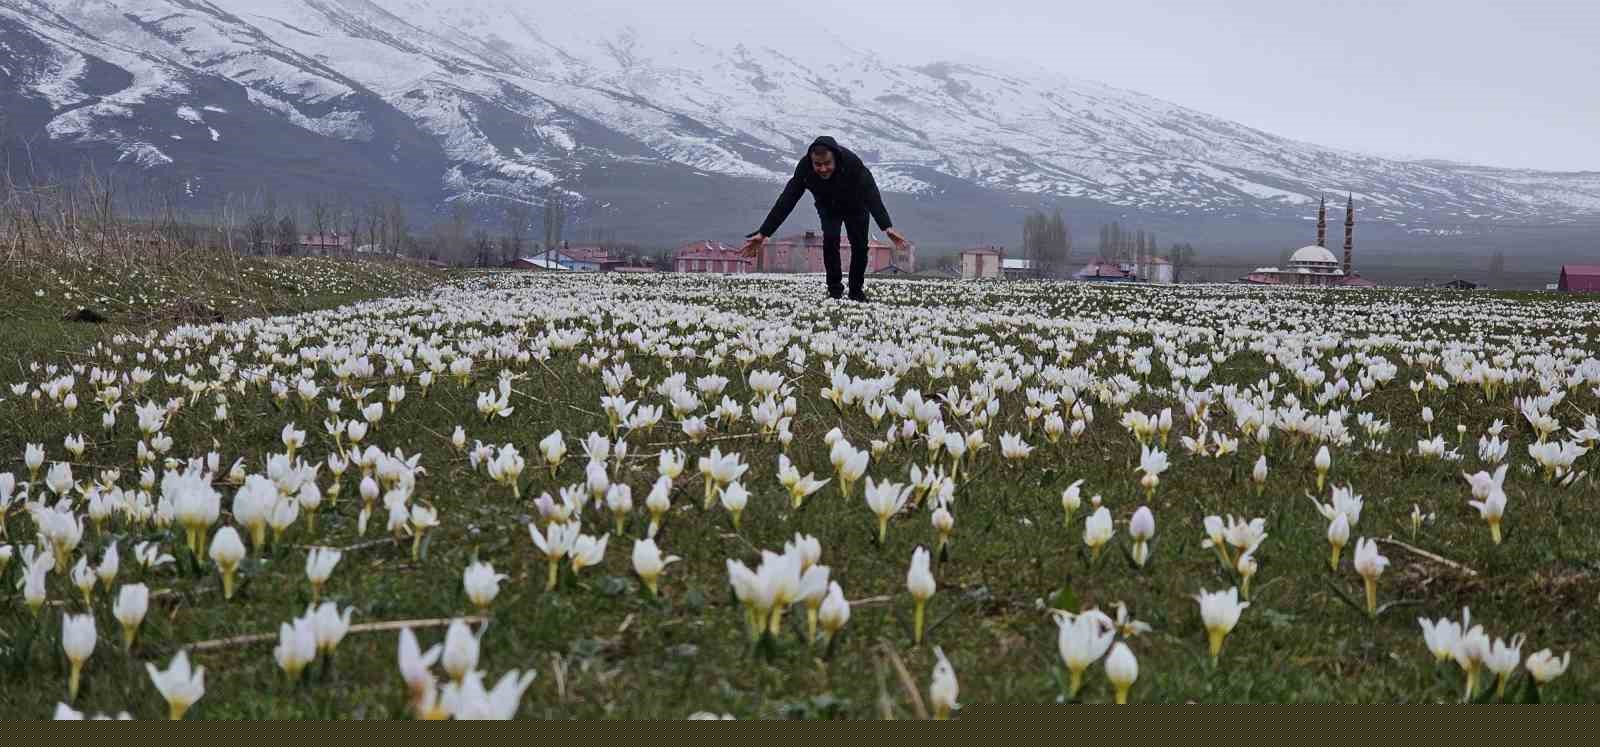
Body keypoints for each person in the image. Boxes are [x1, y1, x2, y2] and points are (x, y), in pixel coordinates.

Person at [740, 136, 910, 301]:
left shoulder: (852, 163)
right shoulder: (804, 168)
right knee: (830, 242)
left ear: (835, 157)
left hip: (857, 206)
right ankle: (835, 291)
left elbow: (871, 193)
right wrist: (764, 233)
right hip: (829, 208)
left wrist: (886, 226)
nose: (823, 169)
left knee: (859, 247)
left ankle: (856, 292)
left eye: (827, 163)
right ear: (811, 161)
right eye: (818, 164)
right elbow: (786, 201)